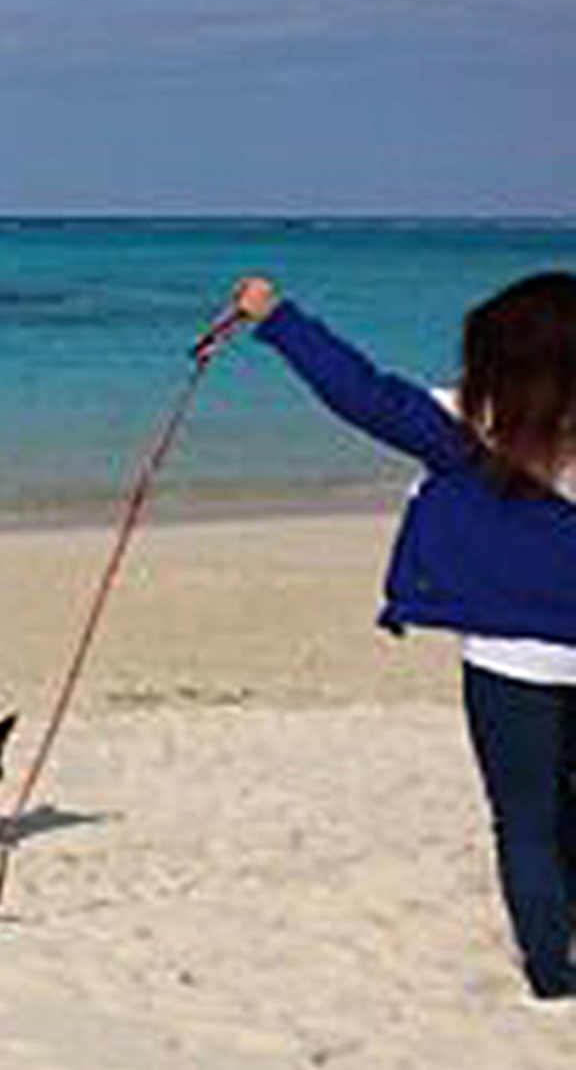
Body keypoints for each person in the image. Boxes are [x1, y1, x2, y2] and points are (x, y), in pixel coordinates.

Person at [234, 271, 576, 1002]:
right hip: (531, 657)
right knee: (557, 811)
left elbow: (363, 393)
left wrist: (279, 318)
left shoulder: (470, 425)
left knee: (526, 821)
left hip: (513, 662)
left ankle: (552, 976)